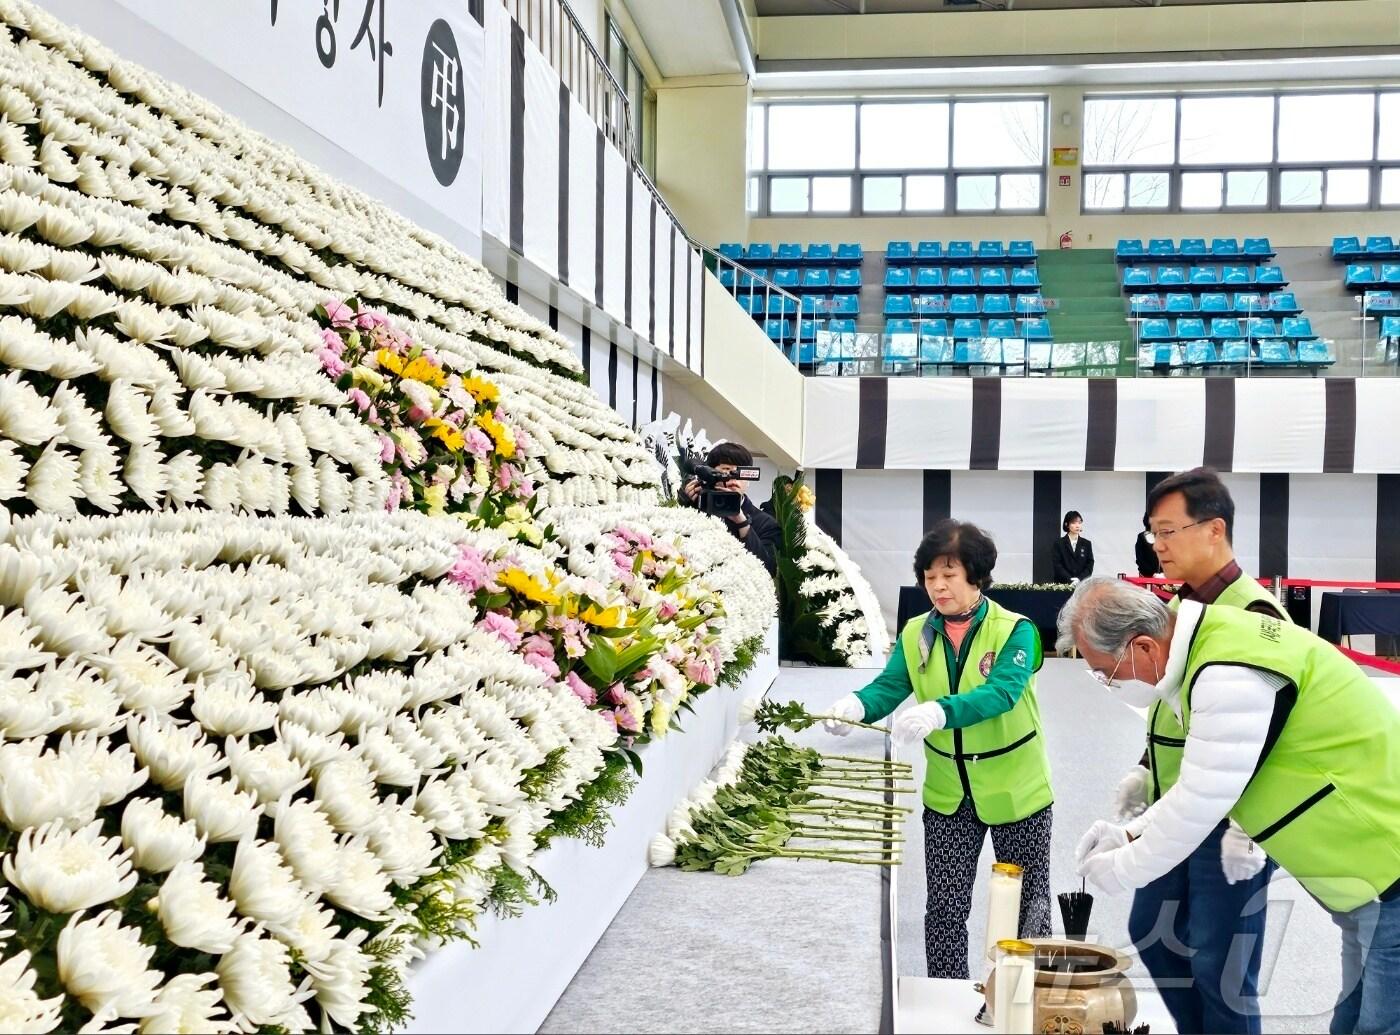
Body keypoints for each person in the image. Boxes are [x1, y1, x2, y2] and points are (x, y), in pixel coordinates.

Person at [1059, 578, 1400, 1035]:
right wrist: (1130, 832)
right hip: (1361, 881)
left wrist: (1123, 869)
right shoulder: (1209, 645)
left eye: (1107, 672)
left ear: (1143, 646)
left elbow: (1202, 802)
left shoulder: (1227, 671)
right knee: (1353, 1021)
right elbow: (1200, 781)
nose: (1108, 684)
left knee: (1378, 1026)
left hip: (1387, 866)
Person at [823, 520, 1053, 979]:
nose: (938, 586)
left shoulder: (1016, 631)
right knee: (945, 910)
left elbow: (1003, 692)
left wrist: (939, 711)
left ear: (977, 575)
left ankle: (1027, 997)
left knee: (1029, 907)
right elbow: (891, 686)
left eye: (949, 574)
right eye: (929, 576)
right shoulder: (915, 633)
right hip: (948, 793)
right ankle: (947, 998)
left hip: (1017, 791)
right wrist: (856, 706)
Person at [1111, 467, 1287, 1035]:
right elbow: (1174, 705)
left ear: (1214, 530)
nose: (1157, 546)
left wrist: (1249, 827)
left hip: (1231, 818)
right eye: (1153, 533)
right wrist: (1144, 769)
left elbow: (1275, 731)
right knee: (1151, 931)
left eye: (1168, 531)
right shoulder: (1181, 611)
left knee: (1221, 968)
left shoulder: (1256, 616)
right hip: (1176, 805)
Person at [678, 442, 780, 576]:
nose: (734, 478)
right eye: (726, 470)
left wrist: (742, 523)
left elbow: (769, 571)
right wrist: (685, 504)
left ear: (748, 480)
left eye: (740, 472)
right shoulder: (696, 506)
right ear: (709, 474)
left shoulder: (766, 523)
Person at [1052, 510, 1094, 584]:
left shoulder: (1086, 543)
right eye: (1074, 523)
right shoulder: (1059, 543)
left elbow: (1090, 564)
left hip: (1081, 584)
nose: (1077, 526)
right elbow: (1057, 565)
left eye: (1079, 522)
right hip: (1063, 584)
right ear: (1067, 524)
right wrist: (1070, 579)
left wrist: (1079, 579)